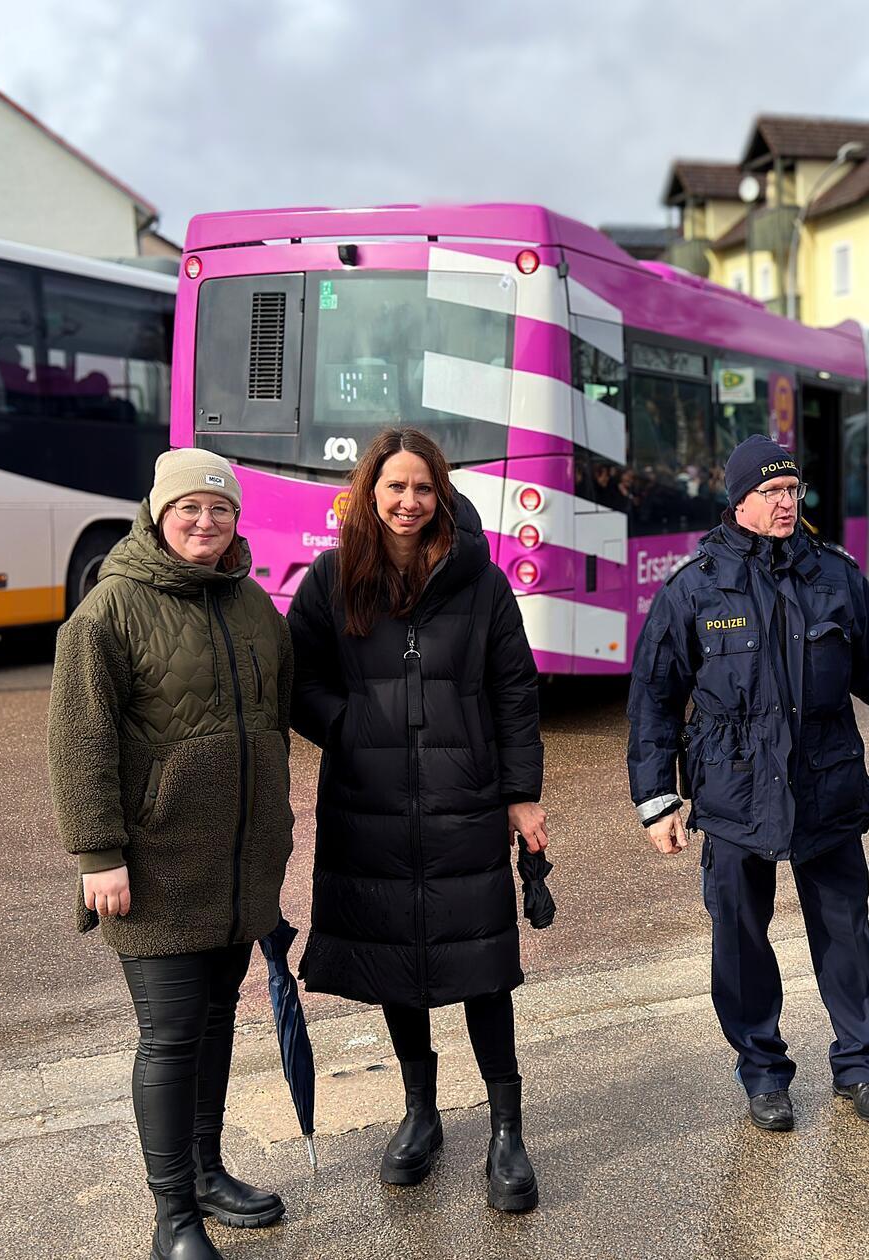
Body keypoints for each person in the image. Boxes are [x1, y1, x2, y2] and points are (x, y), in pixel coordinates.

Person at [627, 435, 869, 1133]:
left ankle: (862, 1067)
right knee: (739, 938)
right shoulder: (695, 588)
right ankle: (764, 1072)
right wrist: (657, 800)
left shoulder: (834, 575)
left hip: (826, 785)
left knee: (845, 930)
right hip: (733, 792)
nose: (785, 503)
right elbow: (653, 699)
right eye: (771, 492)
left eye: (793, 490)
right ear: (738, 499)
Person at [287, 427, 547, 1213]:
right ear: (370, 492)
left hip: (463, 798)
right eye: (394, 487)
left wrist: (522, 793)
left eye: (423, 488)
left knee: (482, 963)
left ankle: (508, 1131)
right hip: (370, 803)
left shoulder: (482, 583)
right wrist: (349, 726)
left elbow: (514, 691)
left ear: (443, 496)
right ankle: (421, 1113)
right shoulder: (333, 578)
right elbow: (296, 679)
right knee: (396, 955)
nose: (409, 502)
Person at [49, 449, 296, 1260]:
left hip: (236, 863)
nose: (204, 522)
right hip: (153, 867)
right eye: (188, 508)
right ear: (158, 514)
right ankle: (173, 1218)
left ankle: (206, 1170)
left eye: (220, 510)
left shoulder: (253, 604)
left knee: (219, 1021)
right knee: (170, 1035)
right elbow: (80, 741)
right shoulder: (108, 613)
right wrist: (97, 855)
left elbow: (279, 716)